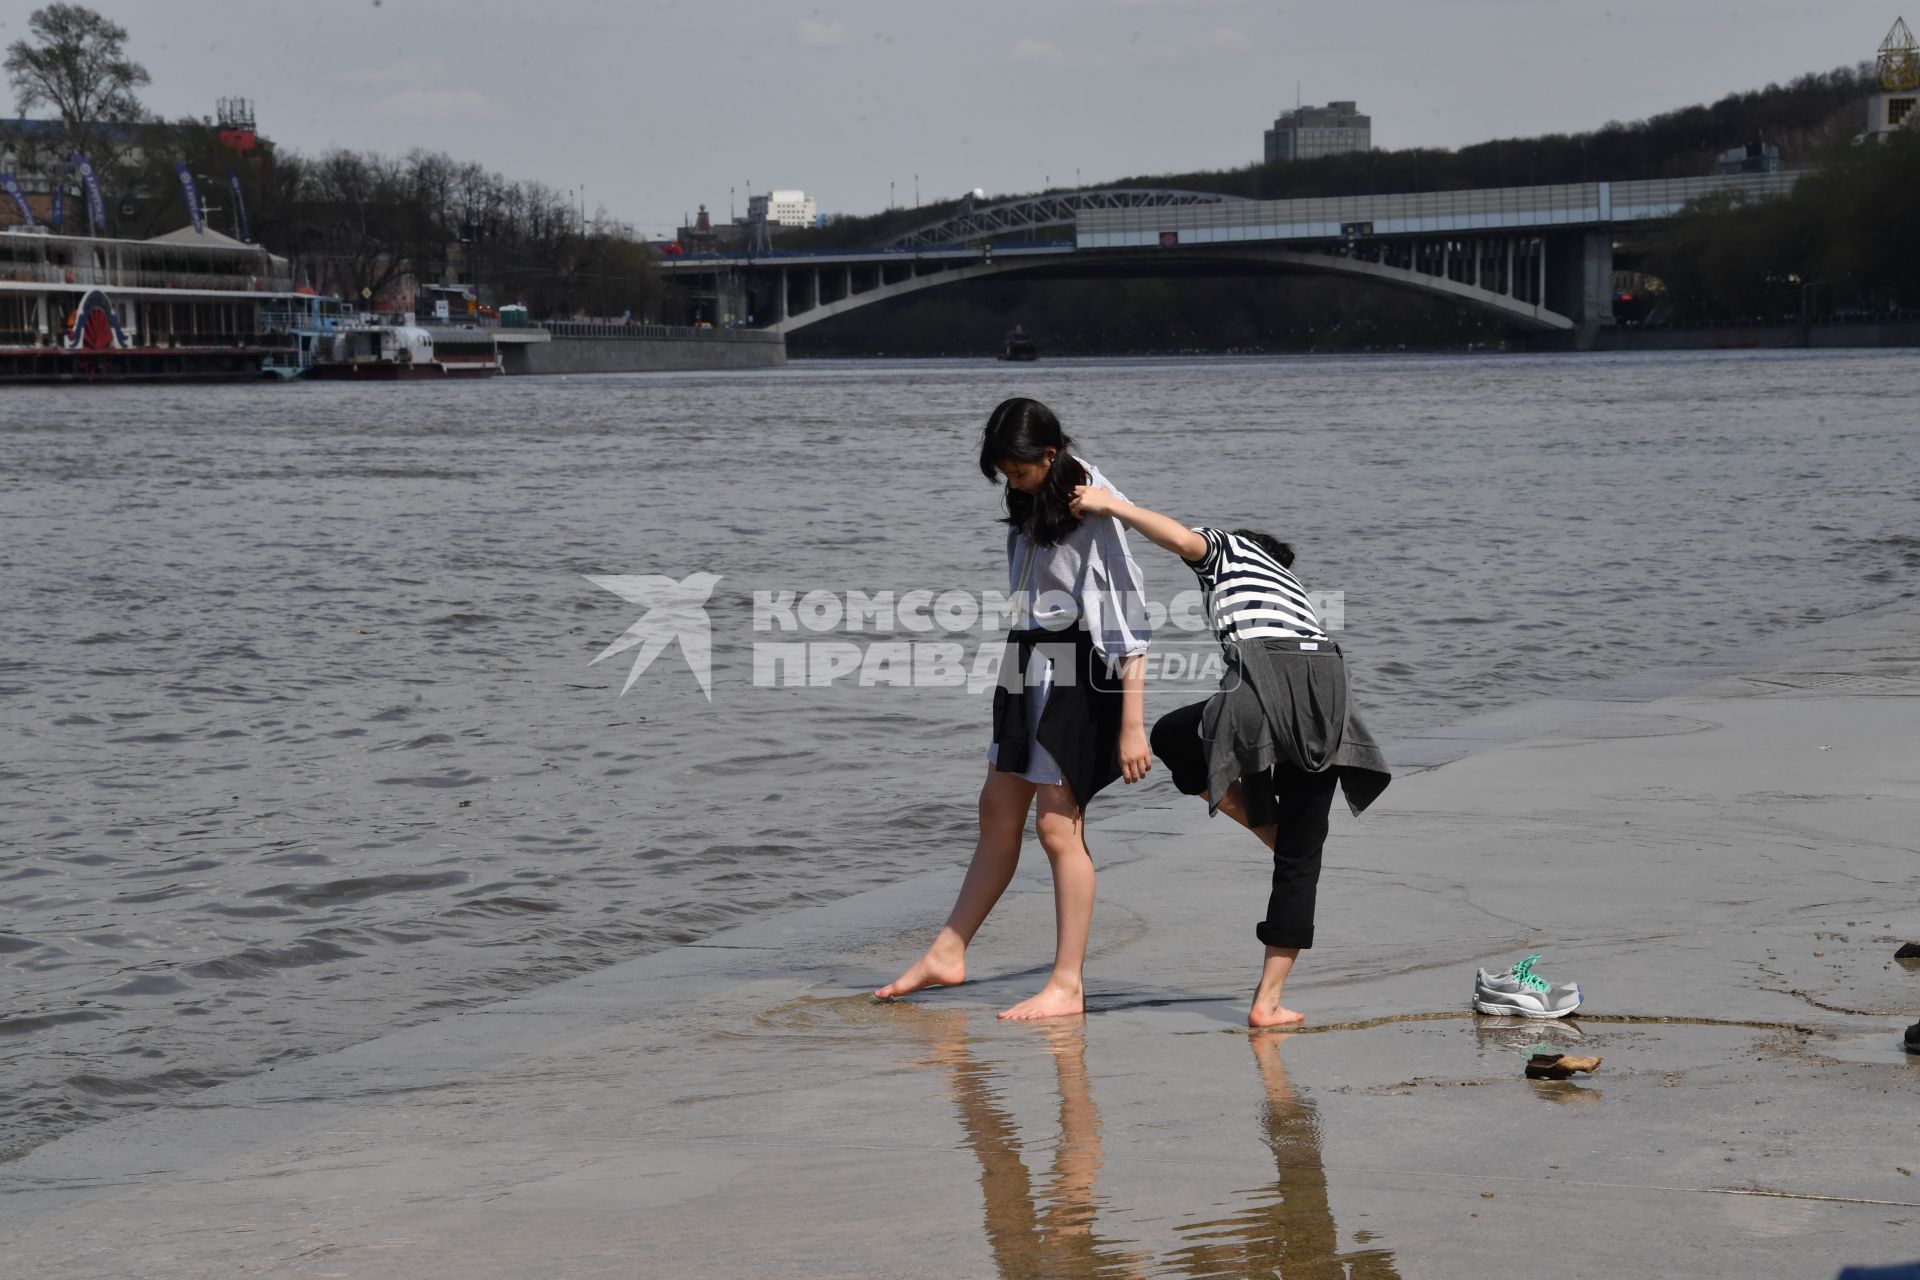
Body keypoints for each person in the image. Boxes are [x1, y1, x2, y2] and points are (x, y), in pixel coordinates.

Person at [1068, 484, 1390, 1028]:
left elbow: (1178, 539)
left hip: (1274, 668)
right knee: (1301, 856)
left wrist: (1112, 505)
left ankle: (1273, 833)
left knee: (1171, 735)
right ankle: (1267, 1003)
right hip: (1329, 680)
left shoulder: (1234, 551)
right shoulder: (1294, 589)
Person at [876, 397, 1152, 1020]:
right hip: (1025, 659)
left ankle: (1067, 984)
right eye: (1004, 471)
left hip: (1081, 669)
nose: (1011, 481)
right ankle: (948, 951)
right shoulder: (1035, 499)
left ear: (1050, 454)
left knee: (1058, 828)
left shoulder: (1091, 504)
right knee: (997, 808)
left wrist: (1134, 725)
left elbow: (1130, 619)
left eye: (1019, 469)